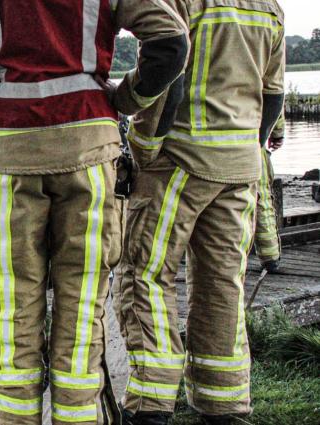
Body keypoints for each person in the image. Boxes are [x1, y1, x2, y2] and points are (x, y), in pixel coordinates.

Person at [0, 1, 188, 423]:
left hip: (12, 150)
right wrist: (127, 98)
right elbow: (170, 40)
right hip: (89, 148)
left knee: (14, 300)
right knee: (83, 299)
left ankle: (15, 416)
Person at [114, 1, 286, 424]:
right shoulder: (270, 7)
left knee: (145, 274)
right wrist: (254, 147)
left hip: (179, 161)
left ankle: (150, 403)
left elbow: (168, 75)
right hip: (240, 169)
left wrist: (143, 147)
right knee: (223, 283)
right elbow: (274, 94)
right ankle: (222, 402)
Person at [255, 113, 285, 271]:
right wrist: (277, 133)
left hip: (196, 150)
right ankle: (270, 257)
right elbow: (276, 101)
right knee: (261, 201)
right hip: (250, 144)